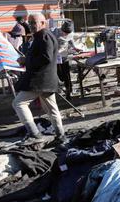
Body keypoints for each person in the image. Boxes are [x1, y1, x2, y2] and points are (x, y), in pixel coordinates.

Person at [12, 13, 66, 143]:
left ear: (43, 23)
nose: (30, 26)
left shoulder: (44, 36)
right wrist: (27, 59)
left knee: (19, 103)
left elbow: (45, 58)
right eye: (29, 23)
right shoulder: (42, 36)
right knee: (51, 109)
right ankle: (61, 136)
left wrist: (26, 61)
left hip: (40, 80)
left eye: (33, 23)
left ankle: (34, 134)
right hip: (47, 80)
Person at [53, 20, 78, 100]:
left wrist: (75, 48)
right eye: (65, 33)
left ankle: (68, 92)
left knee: (67, 74)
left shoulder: (70, 34)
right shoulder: (55, 32)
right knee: (60, 75)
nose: (66, 35)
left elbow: (71, 41)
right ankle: (66, 86)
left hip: (65, 56)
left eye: (67, 33)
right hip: (56, 56)